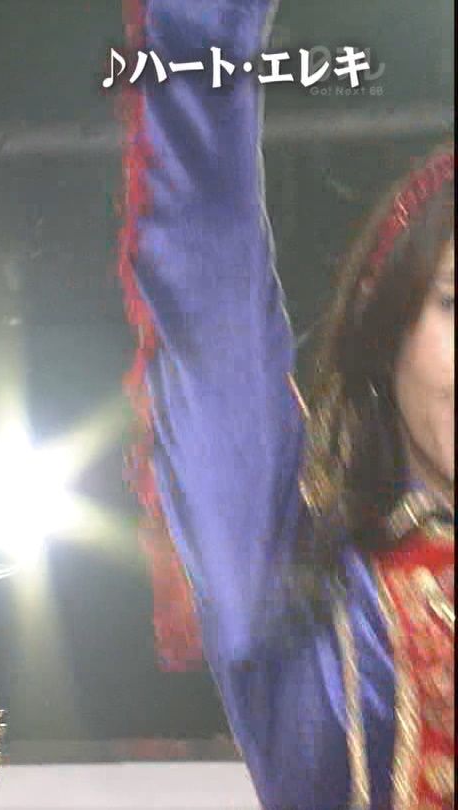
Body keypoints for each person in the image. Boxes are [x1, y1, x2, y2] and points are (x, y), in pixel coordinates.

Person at [118, 1, 454, 807]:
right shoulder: (303, 587)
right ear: (389, 328)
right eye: (456, 303)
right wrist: (203, 28)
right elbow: (207, 279)